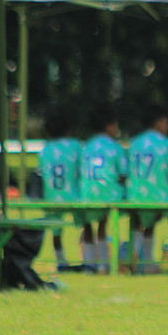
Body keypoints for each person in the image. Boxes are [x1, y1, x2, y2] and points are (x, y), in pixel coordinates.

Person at [126, 105, 168, 274]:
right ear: (158, 123)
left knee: (144, 222)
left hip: (136, 195)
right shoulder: (166, 143)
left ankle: (144, 262)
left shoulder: (134, 143)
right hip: (159, 194)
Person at [38, 111, 94, 270]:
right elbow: (82, 167)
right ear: (69, 130)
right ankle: (89, 261)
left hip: (52, 196)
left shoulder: (45, 150)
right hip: (73, 194)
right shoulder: (75, 145)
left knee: (56, 230)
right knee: (87, 224)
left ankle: (61, 261)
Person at [80, 104, 128, 273]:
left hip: (86, 194)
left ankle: (89, 263)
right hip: (109, 194)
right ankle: (103, 264)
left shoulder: (87, 146)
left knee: (87, 225)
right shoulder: (115, 147)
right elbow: (123, 173)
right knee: (103, 223)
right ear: (109, 126)